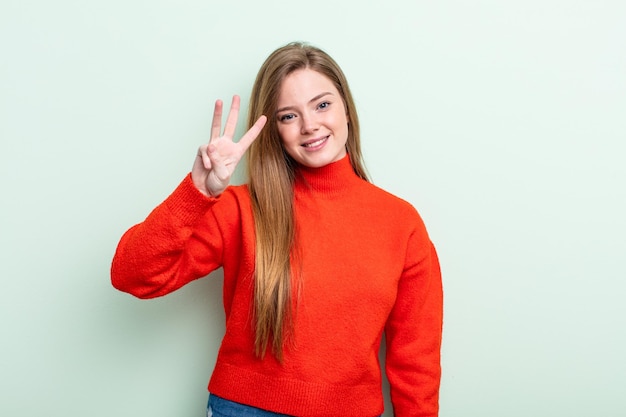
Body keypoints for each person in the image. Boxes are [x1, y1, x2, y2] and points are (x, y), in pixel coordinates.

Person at [111, 42, 443, 417]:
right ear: (274, 130)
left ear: (346, 107)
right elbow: (132, 275)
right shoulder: (241, 209)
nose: (310, 125)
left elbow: (417, 359)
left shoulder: (401, 223)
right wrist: (198, 192)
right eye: (288, 116)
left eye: (322, 105)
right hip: (245, 409)